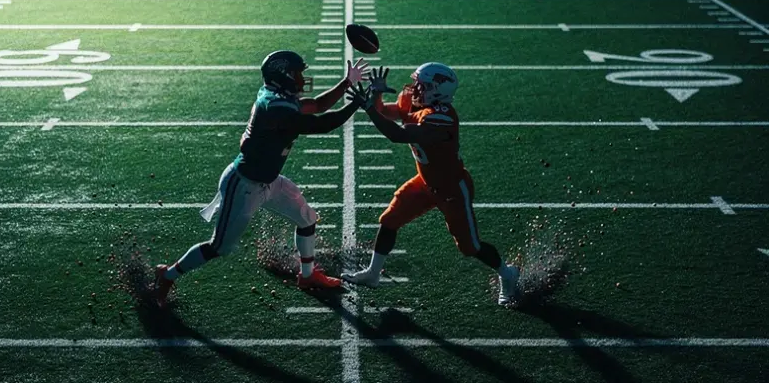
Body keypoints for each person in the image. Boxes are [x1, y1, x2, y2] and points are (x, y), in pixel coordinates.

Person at [153, 50, 369, 307]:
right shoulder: (275, 107)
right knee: (219, 247)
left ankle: (308, 276)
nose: (302, 78)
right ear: (284, 76)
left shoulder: (279, 98)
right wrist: (358, 103)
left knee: (307, 218)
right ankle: (166, 275)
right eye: (298, 73)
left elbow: (319, 106)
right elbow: (321, 124)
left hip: (270, 181)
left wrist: (347, 83)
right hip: (244, 185)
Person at [342, 64, 520, 305]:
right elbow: (385, 112)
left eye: (422, 85)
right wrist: (376, 95)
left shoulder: (442, 118)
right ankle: (373, 274)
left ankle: (507, 274)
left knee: (470, 247)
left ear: (438, 90)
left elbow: (399, 135)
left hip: (452, 188)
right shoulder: (416, 102)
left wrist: (369, 108)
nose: (415, 88)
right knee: (389, 219)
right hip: (425, 182)